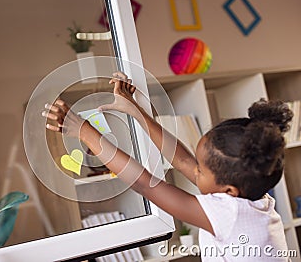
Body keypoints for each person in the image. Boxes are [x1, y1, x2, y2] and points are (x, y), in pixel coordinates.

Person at [42, 72, 293, 261]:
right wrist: (135, 110)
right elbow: (181, 159)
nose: (194, 170)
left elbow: (145, 184)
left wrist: (84, 132)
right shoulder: (255, 200)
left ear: (229, 190)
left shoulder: (230, 214)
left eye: (201, 171)